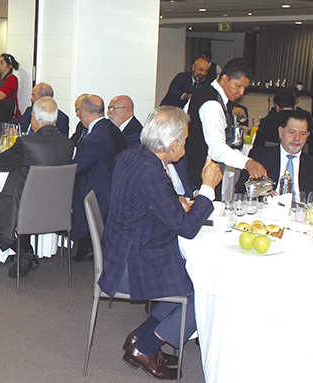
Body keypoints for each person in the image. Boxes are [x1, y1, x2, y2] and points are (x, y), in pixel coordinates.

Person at [98, 106, 222, 380]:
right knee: (202, 289)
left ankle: (140, 338)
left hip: (122, 247)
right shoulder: (151, 172)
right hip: (132, 263)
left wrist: (171, 202)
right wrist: (208, 189)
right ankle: (146, 345)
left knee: (192, 277)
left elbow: (140, 199)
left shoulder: (133, 155)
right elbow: (188, 229)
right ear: (173, 143)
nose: (186, 147)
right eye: (185, 141)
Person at [0, 97, 74, 278]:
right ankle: (25, 251)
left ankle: (24, 251)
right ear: (56, 117)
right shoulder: (68, 145)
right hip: (58, 211)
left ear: (34, 117)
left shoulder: (27, 143)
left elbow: (0, 161)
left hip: (25, 210)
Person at [185, 58, 267, 196]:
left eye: (244, 88)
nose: (241, 93)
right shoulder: (212, 104)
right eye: (238, 86)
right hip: (200, 173)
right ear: (224, 78)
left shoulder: (204, 92)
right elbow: (216, 148)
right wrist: (247, 163)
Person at [236, 112, 313, 205]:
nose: (297, 138)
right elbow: (240, 189)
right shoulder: (260, 157)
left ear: (307, 136)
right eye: (292, 132)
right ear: (281, 132)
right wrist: (263, 195)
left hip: (300, 215)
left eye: (302, 134)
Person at [70, 94, 119, 262]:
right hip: (110, 185)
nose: (78, 115)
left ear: (84, 112)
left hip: (97, 189)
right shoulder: (109, 128)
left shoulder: (96, 137)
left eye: (78, 111)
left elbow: (77, 167)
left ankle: (84, 241)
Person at [255, 91, 313, 156]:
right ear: (295, 106)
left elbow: (257, 149)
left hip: (269, 161)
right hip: (300, 163)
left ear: (277, 106)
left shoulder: (266, 121)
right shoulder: (305, 121)